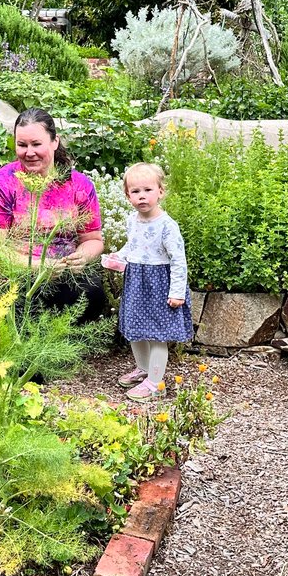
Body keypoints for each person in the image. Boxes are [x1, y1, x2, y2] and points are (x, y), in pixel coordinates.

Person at [0, 108, 107, 319]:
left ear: (54, 142)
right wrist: (38, 267)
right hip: (13, 276)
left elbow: (93, 239)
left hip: (64, 275)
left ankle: (65, 348)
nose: (29, 152)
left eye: (36, 144)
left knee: (92, 293)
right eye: (22, 145)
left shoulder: (79, 185)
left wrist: (82, 256)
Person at [102, 162, 192, 400]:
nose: (142, 196)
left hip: (159, 285)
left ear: (160, 191)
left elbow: (178, 261)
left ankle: (155, 381)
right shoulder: (132, 221)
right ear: (127, 195)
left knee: (157, 334)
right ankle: (143, 368)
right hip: (137, 282)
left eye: (148, 190)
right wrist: (118, 257)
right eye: (135, 191)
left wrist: (177, 292)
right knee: (136, 330)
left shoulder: (167, 226)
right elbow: (132, 246)